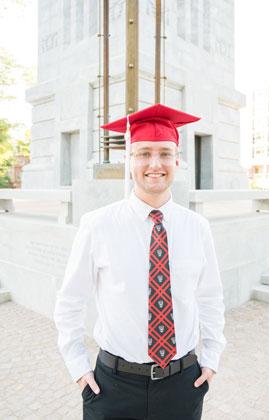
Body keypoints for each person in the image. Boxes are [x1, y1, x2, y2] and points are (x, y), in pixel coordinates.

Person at [54, 103, 226, 420]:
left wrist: (212, 358)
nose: (154, 163)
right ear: (129, 160)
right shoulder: (98, 224)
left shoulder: (197, 227)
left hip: (182, 385)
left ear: (177, 159)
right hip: (112, 388)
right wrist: (78, 368)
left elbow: (210, 296)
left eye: (164, 153)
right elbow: (70, 300)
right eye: (144, 153)